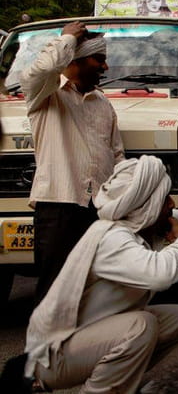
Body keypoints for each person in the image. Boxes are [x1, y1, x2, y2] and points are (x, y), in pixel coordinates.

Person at [16, 152, 178, 392]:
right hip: (53, 358)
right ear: (147, 205)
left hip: (89, 341)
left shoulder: (143, 225)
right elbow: (161, 275)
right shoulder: (112, 238)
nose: (172, 204)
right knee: (141, 326)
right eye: (165, 199)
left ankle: (125, 379)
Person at [20, 21, 125, 303]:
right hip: (59, 205)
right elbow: (41, 70)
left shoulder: (103, 104)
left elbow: (116, 155)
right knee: (55, 291)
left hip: (99, 210)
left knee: (94, 289)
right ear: (76, 60)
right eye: (99, 59)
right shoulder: (45, 95)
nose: (105, 68)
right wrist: (67, 38)